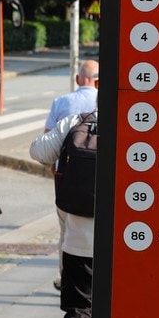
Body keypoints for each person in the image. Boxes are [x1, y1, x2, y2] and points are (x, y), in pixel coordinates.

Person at [29, 112, 95, 318]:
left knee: (79, 305)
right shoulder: (139, 122)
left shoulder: (76, 121)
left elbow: (38, 151)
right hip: (127, 241)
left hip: (78, 240)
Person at [43, 60, 99, 290]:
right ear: (97, 81)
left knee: (66, 230)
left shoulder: (62, 102)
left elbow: (46, 140)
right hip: (97, 176)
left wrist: (52, 164)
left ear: (78, 79)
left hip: (65, 176)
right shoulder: (102, 100)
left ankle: (65, 277)